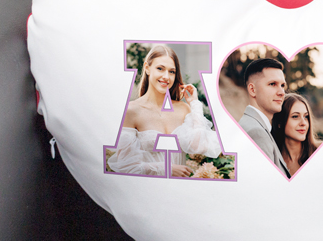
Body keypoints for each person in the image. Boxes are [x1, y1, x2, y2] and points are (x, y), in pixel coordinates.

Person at [107, 44, 221, 177]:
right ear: (147, 68)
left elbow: (200, 146)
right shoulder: (132, 111)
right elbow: (125, 166)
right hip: (147, 187)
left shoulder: (183, 109)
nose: (166, 76)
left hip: (179, 186)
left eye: (172, 72)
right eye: (160, 69)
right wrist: (166, 168)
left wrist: (195, 104)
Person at [238, 58, 291, 177]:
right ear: (252, 90)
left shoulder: (254, 125)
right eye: (272, 84)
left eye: (282, 85)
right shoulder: (256, 132)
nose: (282, 92)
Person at [271, 93, 319, 177]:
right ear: (279, 122)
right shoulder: (271, 159)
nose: (303, 123)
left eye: (306, 117)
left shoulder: (321, 151)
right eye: (295, 116)